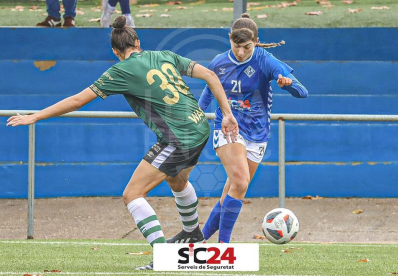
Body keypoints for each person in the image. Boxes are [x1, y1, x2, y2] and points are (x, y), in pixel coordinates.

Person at [7, 15, 238, 270]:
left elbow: (77, 101)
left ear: (116, 51)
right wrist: (227, 114)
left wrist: (36, 116)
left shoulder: (121, 70)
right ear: (138, 42)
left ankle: (165, 258)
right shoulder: (165, 55)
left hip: (178, 138)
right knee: (177, 179)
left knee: (132, 194)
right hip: (199, 128)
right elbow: (211, 76)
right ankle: (193, 233)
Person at [168, 13, 308, 244]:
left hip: (258, 134)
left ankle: (200, 242)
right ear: (229, 39)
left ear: (256, 41)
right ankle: (224, 244)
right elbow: (207, 93)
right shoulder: (220, 62)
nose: (240, 52)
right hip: (228, 128)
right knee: (241, 181)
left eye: (246, 47)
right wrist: (196, 117)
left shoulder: (265, 60)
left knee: (233, 191)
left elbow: (302, 92)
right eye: (236, 45)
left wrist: (288, 84)